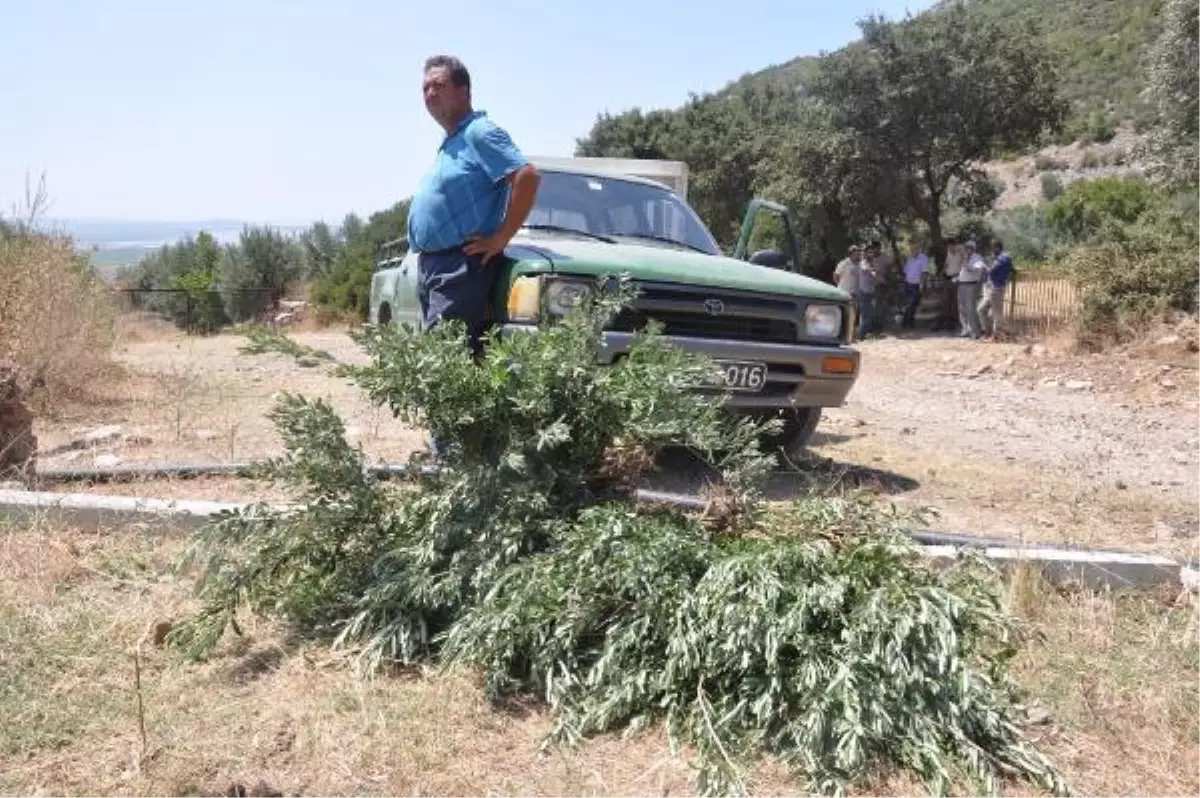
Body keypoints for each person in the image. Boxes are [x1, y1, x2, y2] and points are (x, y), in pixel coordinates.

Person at [407, 55, 541, 356]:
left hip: (460, 265)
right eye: (425, 88)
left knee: (444, 359)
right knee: (439, 357)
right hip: (436, 265)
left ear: (464, 90)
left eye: (438, 85)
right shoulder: (454, 139)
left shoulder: (479, 132)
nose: (430, 94)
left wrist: (501, 237)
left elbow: (527, 176)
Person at [979, 239, 1013, 340]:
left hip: (997, 287)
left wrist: (986, 267)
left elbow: (992, 270)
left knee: (996, 313)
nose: (992, 250)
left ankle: (996, 335)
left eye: (993, 248)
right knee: (981, 309)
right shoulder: (999, 257)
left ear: (997, 247)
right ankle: (988, 332)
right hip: (991, 287)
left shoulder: (1004, 257)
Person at [955, 240, 986, 339]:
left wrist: (966, 264)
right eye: (966, 247)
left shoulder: (977, 258)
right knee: (961, 308)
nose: (967, 249)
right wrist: (958, 278)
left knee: (970, 308)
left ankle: (975, 331)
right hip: (962, 285)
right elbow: (962, 271)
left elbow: (977, 269)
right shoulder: (964, 257)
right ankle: (965, 329)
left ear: (973, 248)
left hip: (971, 285)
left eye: (969, 247)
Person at [834, 244, 862, 337]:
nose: (858, 255)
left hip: (854, 293)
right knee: (842, 313)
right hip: (844, 292)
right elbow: (836, 276)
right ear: (851, 254)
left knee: (853, 314)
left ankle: (850, 335)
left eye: (859, 253)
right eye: (856, 253)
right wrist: (841, 286)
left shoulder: (860, 264)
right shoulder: (843, 263)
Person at [900, 241, 929, 329]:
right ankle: (908, 322)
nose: (913, 250)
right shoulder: (909, 259)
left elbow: (924, 272)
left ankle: (907, 322)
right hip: (908, 283)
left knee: (912, 304)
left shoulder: (923, 258)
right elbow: (906, 271)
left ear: (919, 249)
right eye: (912, 249)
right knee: (908, 304)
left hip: (916, 284)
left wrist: (922, 284)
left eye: (915, 248)